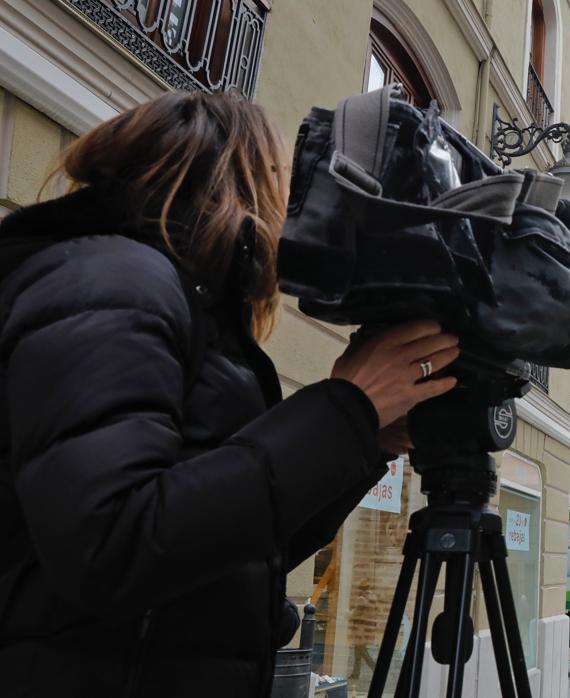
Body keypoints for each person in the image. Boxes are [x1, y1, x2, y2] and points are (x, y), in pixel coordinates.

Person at [0, 92, 461, 697]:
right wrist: (345, 406)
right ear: (234, 178)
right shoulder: (116, 280)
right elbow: (110, 545)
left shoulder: (185, 305)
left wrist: (360, 438)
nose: (288, 209)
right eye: (280, 181)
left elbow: (238, 550)